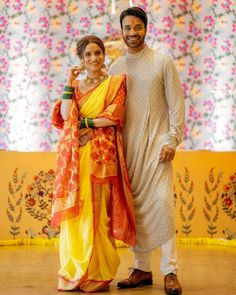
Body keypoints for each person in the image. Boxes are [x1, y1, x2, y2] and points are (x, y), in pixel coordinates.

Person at [51, 35, 136, 293]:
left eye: (97, 52)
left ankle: (98, 273)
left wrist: (85, 124)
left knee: (99, 215)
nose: (94, 58)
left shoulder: (115, 83)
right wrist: (68, 82)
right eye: (88, 55)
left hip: (102, 157)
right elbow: (66, 116)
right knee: (76, 215)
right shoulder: (75, 87)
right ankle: (75, 270)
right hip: (77, 158)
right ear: (81, 59)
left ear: (103, 54)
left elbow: (113, 116)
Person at [109, 7, 185, 295]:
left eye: (137, 27)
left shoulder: (162, 62)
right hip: (127, 150)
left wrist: (172, 139)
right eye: (127, 28)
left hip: (157, 148)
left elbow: (176, 105)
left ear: (146, 28)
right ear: (122, 30)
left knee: (163, 206)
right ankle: (141, 268)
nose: (132, 33)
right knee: (135, 209)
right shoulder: (116, 68)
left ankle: (170, 270)